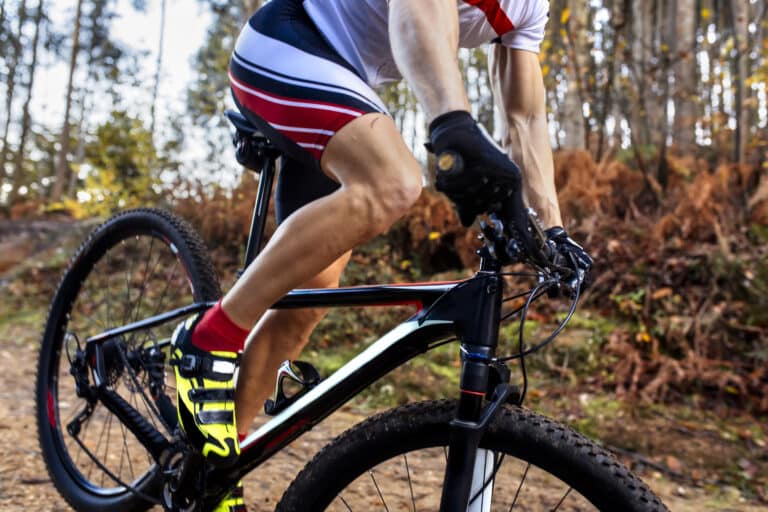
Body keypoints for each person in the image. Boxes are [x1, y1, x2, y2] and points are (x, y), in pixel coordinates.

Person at [170, 0, 593, 510]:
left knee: (304, 305)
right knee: (394, 181)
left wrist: (553, 228)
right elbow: (416, 13)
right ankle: (207, 340)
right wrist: (451, 124)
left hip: (348, 85)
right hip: (288, 41)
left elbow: (524, 117)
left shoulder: (529, 9)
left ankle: (211, 475)